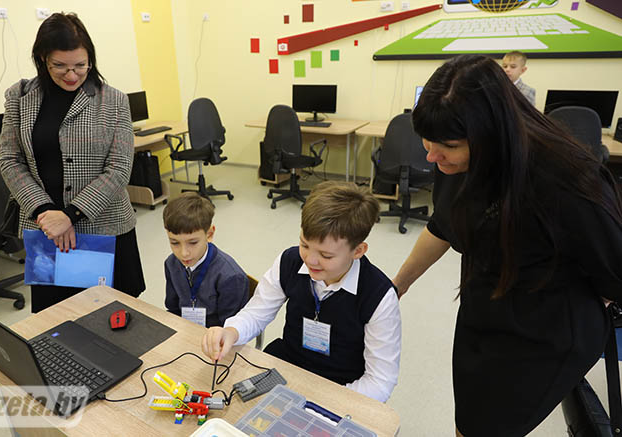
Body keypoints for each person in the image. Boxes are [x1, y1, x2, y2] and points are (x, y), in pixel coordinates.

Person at [393, 54, 622, 436]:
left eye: (447, 145)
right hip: (484, 308)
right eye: (427, 141)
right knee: (469, 419)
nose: (432, 156)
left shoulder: (566, 180)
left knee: (488, 427)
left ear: (491, 132)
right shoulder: (456, 163)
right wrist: (397, 286)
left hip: (543, 333)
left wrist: (577, 308)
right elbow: (443, 226)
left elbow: (615, 269)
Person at [201, 181, 401, 403]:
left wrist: (320, 401)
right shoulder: (290, 261)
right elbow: (257, 313)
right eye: (304, 245)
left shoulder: (379, 296)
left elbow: (380, 382)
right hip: (289, 366)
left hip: (341, 385)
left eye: (326, 255)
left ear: (358, 251)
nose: (310, 260)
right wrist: (232, 331)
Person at [0, 12, 145, 312]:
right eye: (60, 66)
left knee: (115, 315)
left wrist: (71, 215)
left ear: (90, 58)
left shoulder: (113, 100)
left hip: (104, 226)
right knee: (56, 316)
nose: (72, 75)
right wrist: (45, 212)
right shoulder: (19, 97)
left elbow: (119, 168)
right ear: (43, 59)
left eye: (80, 65)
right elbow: (11, 160)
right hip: (46, 231)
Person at [163, 192, 249, 327]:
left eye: (193, 243)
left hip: (215, 334)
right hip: (185, 328)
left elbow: (230, 328)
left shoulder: (231, 277)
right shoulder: (171, 263)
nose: (184, 253)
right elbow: (173, 308)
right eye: (175, 243)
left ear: (209, 234)